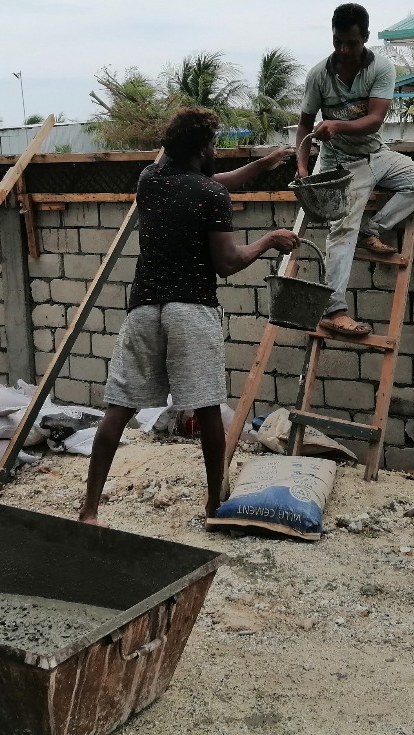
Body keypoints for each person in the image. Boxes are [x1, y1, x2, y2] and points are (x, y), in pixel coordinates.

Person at [79, 107, 299, 525]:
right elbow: (228, 262)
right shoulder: (210, 196)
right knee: (207, 409)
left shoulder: (150, 180)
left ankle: (89, 509)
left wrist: (261, 165)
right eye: (213, 143)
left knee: (118, 409)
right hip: (191, 312)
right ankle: (214, 503)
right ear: (201, 149)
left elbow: (203, 180)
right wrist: (269, 240)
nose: (216, 150)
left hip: (144, 309)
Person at [296, 2, 414, 337]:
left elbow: (375, 120)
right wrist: (302, 168)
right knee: (340, 233)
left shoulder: (381, 69)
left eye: (352, 43)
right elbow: (303, 126)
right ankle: (335, 310)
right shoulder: (319, 75)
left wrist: (338, 125)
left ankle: (372, 228)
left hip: (375, 154)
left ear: (365, 38)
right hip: (338, 166)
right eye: (338, 42)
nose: (344, 50)